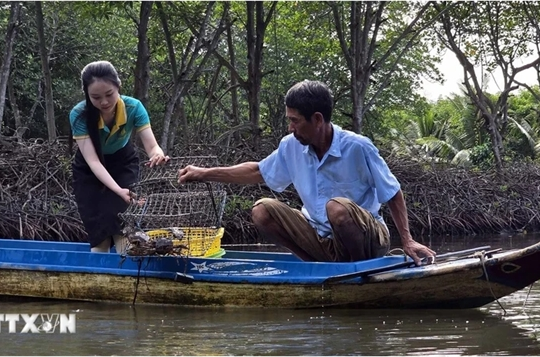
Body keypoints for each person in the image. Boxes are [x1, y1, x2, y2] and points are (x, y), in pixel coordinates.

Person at [177, 80, 435, 265]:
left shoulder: (358, 146)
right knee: (262, 210)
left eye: (295, 121)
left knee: (338, 208)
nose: (290, 128)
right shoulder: (291, 146)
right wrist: (204, 173)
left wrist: (408, 241)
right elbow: (257, 171)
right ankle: (310, 265)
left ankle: (358, 272)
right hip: (321, 240)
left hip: (368, 240)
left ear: (318, 120)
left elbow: (393, 192)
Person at [70, 60, 169, 253]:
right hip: (89, 170)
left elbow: (152, 146)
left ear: (118, 86)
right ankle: (100, 271)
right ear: (87, 95)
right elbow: (93, 161)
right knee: (99, 231)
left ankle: (128, 269)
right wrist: (118, 190)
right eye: (96, 97)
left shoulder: (134, 107)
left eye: (109, 94)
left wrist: (157, 155)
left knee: (121, 224)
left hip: (122, 163)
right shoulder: (79, 114)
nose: (104, 102)